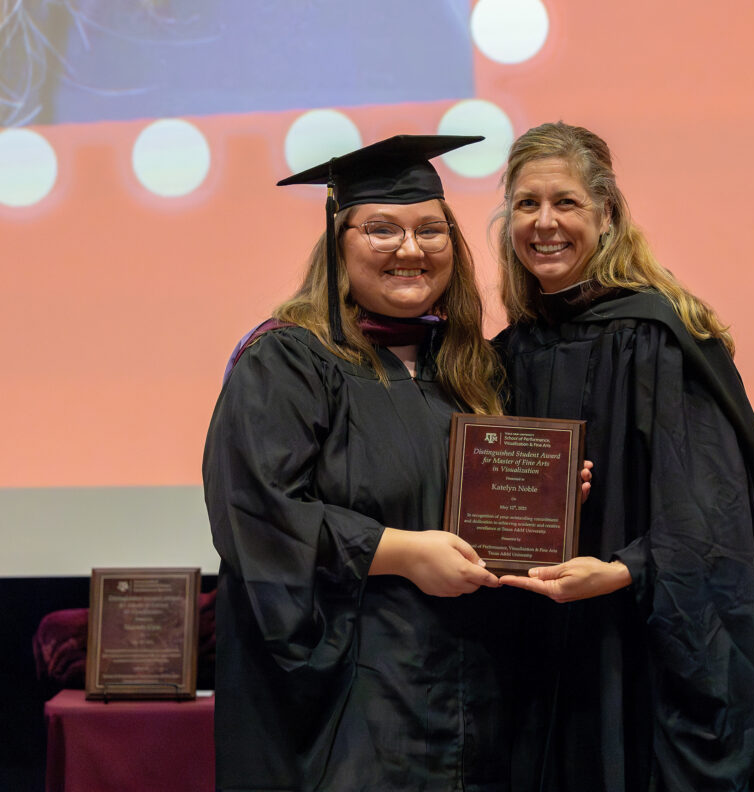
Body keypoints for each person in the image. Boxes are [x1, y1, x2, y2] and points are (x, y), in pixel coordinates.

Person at [203, 135, 515, 792]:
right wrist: (398, 552)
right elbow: (258, 513)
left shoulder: (468, 369)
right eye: (382, 229)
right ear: (338, 244)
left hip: (466, 691)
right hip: (346, 705)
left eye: (430, 230)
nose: (410, 249)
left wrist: (541, 497)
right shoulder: (288, 362)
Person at [493, 122, 754, 791]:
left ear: (606, 215)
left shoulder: (659, 339)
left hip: (639, 662)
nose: (545, 223)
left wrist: (619, 570)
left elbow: (714, 520)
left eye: (565, 202)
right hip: (540, 660)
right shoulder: (509, 353)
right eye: (525, 203)